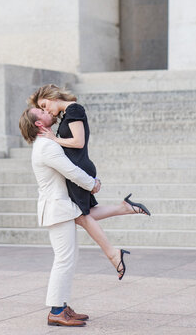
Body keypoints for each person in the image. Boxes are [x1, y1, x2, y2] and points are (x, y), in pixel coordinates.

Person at [28, 84, 151, 280]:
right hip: (79, 167)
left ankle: (113, 253)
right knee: (84, 214)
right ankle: (125, 209)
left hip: (79, 168)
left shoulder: (75, 109)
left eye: (44, 105)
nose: (45, 110)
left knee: (81, 216)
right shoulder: (68, 114)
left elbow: (78, 142)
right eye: (41, 109)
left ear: (52, 96)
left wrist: (53, 138)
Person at [19, 105, 101, 327]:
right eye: (43, 112)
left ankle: (62, 306)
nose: (50, 112)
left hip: (60, 208)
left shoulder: (46, 143)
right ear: (39, 124)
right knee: (64, 259)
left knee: (69, 258)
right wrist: (93, 184)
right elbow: (71, 171)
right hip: (57, 209)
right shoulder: (46, 146)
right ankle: (56, 311)